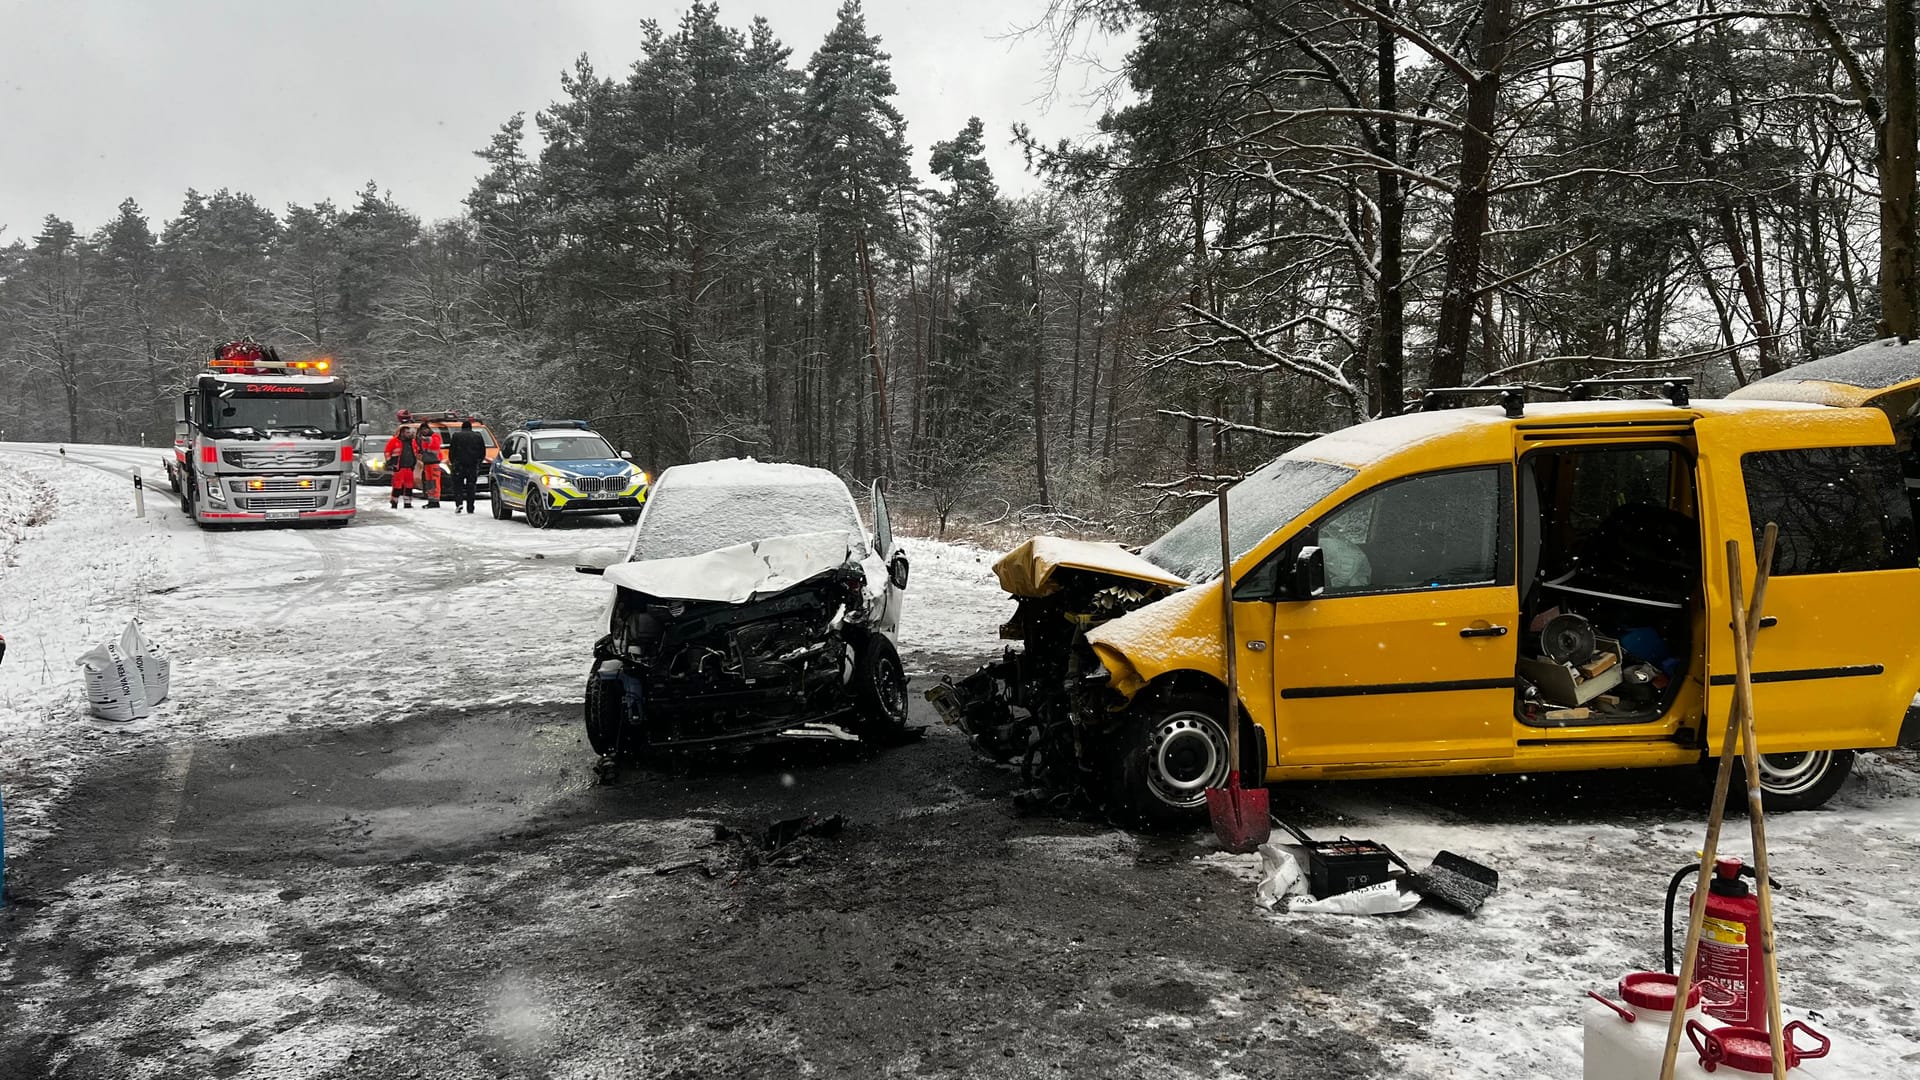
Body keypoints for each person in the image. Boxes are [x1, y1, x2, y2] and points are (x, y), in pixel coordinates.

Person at [447, 418, 486, 514]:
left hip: (459, 464)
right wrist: (478, 462)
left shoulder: (456, 436)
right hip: (472, 464)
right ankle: (470, 507)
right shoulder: (477, 436)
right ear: (471, 427)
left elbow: (452, 451)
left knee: (458, 485)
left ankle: (459, 503)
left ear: (462, 427)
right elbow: (482, 451)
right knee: (471, 486)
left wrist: (453, 462)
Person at [384, 425, 419, 509]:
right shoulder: (394, 441)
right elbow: (387, 452)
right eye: (407, 432)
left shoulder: (412, 442)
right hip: (398, 467)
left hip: (409, 467)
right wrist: (390, 463)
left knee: (409, 486)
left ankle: (407, 503)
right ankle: (394, 502)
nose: (409, 434)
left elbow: (416, 451)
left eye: (409, 432)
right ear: (402, 433)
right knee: (397, 486)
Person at [417, 423, 445, 508]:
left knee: (435, 482)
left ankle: (435, 501)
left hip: (434, 462)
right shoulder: (422, 439)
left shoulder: (435, 436)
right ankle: (431, 500)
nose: (424, 431)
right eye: (422, 430)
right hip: (427, 462)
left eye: (425, 429)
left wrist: (426, 440)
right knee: (429, 483)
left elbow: (434, 444)